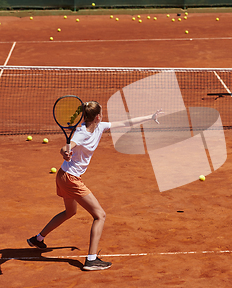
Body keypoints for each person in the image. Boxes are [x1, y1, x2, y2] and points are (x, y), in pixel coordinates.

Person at [27, 101, 162, 271]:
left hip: (63, 175)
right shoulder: (81, 132)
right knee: (100, 215)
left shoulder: (100, 126)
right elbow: (66, 146)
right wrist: (65, 152)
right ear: (97, 116)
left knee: (70, 212)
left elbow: (126, 122)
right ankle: (91, 260)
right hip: (71, 179)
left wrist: (150, 117)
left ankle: (37, 239)